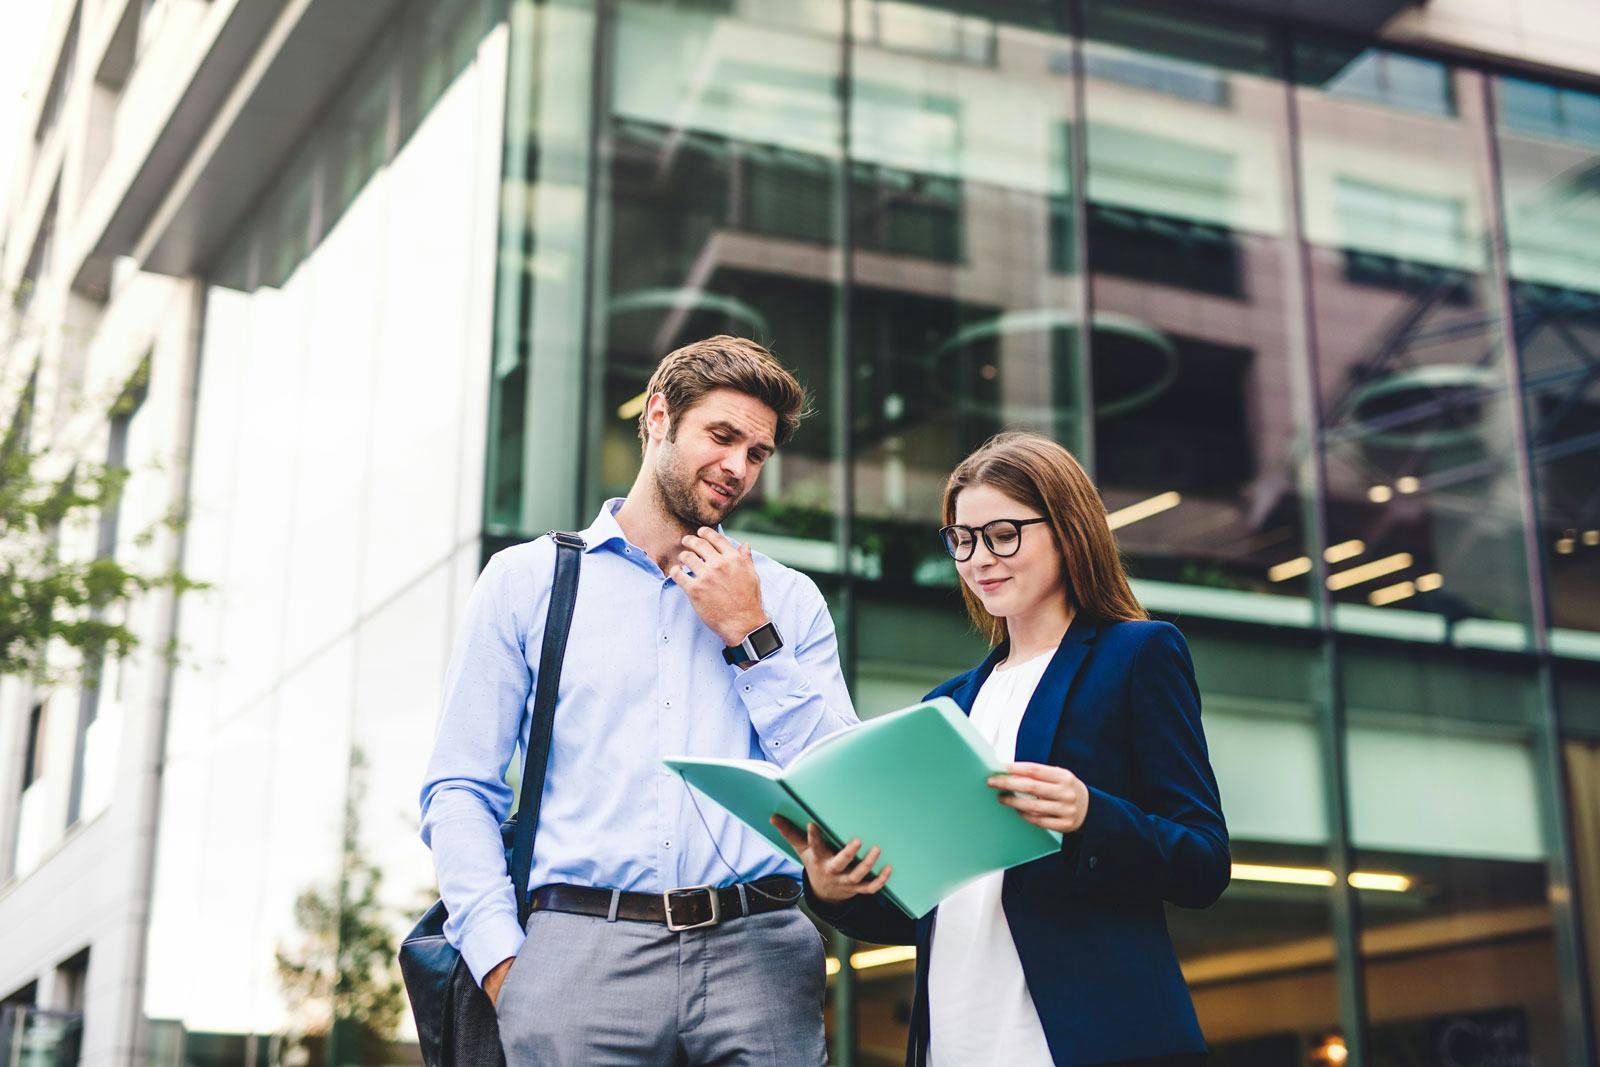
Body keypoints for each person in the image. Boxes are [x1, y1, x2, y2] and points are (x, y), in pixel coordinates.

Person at [421, 336, 857, 1066]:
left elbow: (838, 781)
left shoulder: (786, 598)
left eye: (757, 453)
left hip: (759, 955)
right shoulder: (526, 580)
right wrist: (501, 960)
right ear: (659, 416)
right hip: (580, 955)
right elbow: (459, 785)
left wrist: (752, 635)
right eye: (721, 436)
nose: (737, 468)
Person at [777, 431, 1229, 1067]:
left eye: (1003, 535)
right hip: (957, 1039)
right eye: (962, 539)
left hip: (1082, 1039)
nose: (979, 558)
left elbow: (1203, 862)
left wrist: (1089, 816)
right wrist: (835, 889)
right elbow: (928, 909)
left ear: (1068, 530)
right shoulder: (950, 704)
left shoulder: (1138, 655)